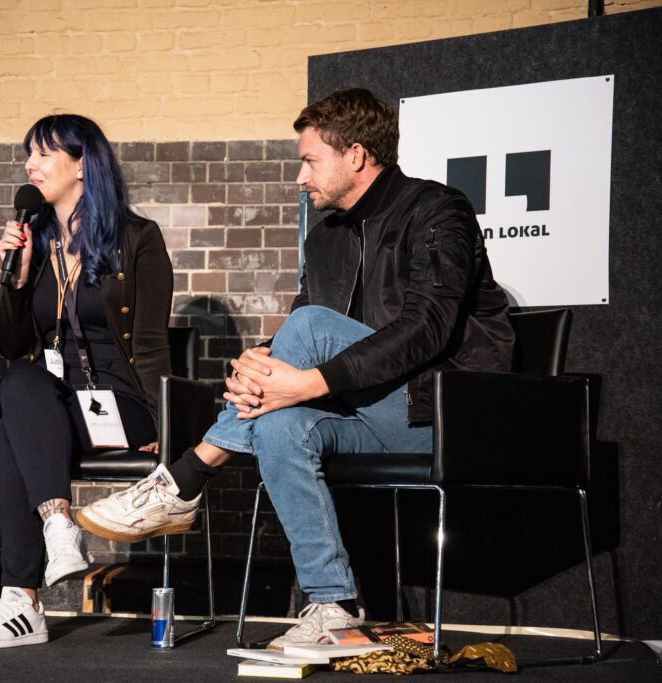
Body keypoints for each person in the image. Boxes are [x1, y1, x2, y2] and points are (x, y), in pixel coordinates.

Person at [77, 88, 515, 649]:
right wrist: (259, 362)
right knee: (278, 422)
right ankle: (333, 602)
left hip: (441, 411)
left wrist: (304, 380)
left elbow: (425, 329)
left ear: (356, 155)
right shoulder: (327, 234)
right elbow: (297, 335)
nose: (300, 178)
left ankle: (186, 477)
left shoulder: (437, 211)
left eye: (309, 160)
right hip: (368, 412)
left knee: (307, 329)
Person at [0, 114, 173, 649]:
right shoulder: (36, 240)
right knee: (19, 387)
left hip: (122, 405)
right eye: (28, 154)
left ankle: (20, 596)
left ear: (82, 164)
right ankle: (50, 542)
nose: (31, 165)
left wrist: (168, 427)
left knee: (12, 420)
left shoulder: (138, 238)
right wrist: (17, 277)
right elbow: (10, 343)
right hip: (54, 406)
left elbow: (149, 343)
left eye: (45, 154)